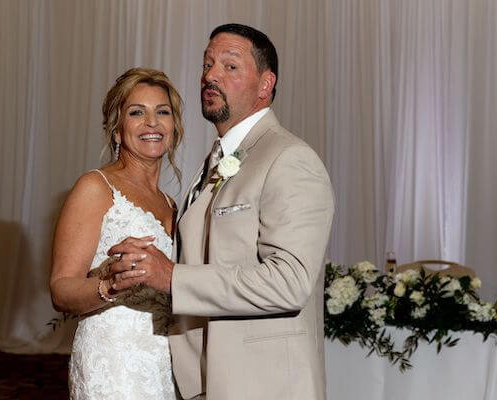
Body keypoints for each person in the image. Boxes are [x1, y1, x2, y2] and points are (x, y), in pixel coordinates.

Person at [108, 24, 335, 399]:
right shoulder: (216, 159)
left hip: (265, 386)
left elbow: (290, 282)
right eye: (207, 64)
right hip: (207, 381)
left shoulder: (290, 158)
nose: (210, 75)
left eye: (229, 66)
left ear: (265, 85)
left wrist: (173, 279)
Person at [49, 67, 184, 399]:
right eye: (137, 112)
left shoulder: (173, 204)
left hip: (165, 362)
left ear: (174, 126)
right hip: (113, 361)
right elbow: (61, 290)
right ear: (117, 129)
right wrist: (108, 284)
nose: (152, 122)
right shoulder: (96, 187)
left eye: (162, 112)